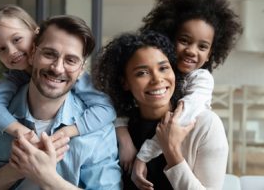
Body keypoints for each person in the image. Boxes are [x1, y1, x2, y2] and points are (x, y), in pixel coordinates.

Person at [0, 15, 122, 189]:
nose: (57, 68)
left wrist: (47, 177)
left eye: (71, 60)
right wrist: (14, 170)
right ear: (33, 54)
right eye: (49, 54)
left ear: (81, 69)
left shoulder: (98, 128)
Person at [114, 0, 242, 188]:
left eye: (202, 46)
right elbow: (114, 104)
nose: (191, 51)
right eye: (184, 40)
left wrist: (150, 153)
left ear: (210, 54)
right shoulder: (131, 115)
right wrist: (122, 133)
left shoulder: (200, 85)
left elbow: (181, 117)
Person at [93, 30, 228, 189]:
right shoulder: (116, 130)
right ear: (125, 82)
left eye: (163, 68)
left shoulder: (205, 125)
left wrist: (172, 154)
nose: (157, 79)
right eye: (142, 73)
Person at [0, 4, 116, 143]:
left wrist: (68, 131)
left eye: (16, 39)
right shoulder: (14, 78)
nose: (11, 52)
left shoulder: (72, 75)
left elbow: (106, 108)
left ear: (36, 34)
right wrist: (23, 132)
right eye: (2, 49)